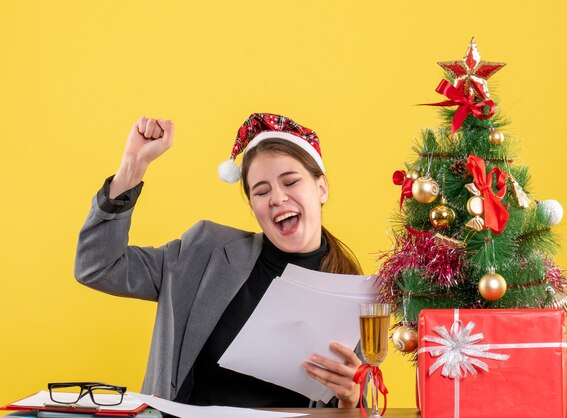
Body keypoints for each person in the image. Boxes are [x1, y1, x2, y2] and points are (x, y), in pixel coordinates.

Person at [74, 113, 364, 408]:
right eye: (261, 191)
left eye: (290, 182)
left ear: (321, 188)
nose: (277, 198)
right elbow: (99, 266)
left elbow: (358, 402)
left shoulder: (351, 292)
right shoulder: (205, 251)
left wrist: (350, 397)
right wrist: (132, 167)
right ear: (253, 207)